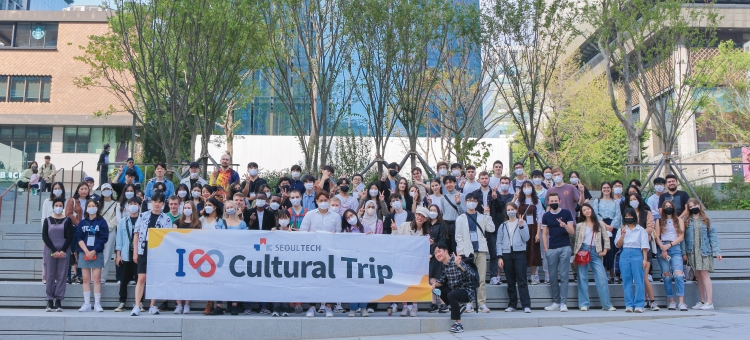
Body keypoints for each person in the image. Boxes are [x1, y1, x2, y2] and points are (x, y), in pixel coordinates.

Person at [299, 191, 341, 318]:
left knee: (329, 280)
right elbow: (302, 232)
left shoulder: (336, 216)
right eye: (320, 200)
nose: (323, 202)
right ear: (316, 201)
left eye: (325, 200)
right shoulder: (310, 215)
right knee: (313, 280)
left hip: (330, 253)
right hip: (314, 253)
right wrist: (312, 235)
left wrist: (334, 236)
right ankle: (312, 307)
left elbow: (338, 235)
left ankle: (329, 307)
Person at [131, 192, 172, 316]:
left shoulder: (167, 219)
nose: (157, 204)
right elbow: (136, 234)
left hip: (158, 251)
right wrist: (135, 251)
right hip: (143, 249)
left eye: (160, 202)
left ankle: (153, 305)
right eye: (155, 201)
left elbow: (168, 237)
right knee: (141, 277)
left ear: (163, 204)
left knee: (155, 279)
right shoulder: (143, 216)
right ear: (151, 202)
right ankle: (137, 305)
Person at [454, 193, 495, 313]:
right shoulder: (461, 218)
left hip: (481, 250)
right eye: (469, 200)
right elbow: (458, 237)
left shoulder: (482, 217)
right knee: (468, 278)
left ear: (477, 203)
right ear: (465, 202)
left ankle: (482, 303)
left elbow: (491, 228)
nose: (471, 202)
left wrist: (487, 214)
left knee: (481, 278)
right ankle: (469, 303)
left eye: (474, 200)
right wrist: (461, 252)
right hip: (467, 252)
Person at [682, 198, 722, 310]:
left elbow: (713, 236)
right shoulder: (687, 221)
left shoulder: (706, 220)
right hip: (692, 252)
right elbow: (683, 238)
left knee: (704, 275)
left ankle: (710, 302)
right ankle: (702, 300)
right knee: (698, 276)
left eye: (695, 205)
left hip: (704, 251)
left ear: (699, 205)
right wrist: (684, 252)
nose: (693, 207)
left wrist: (717, 251)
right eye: (690, 206)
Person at [574, 203, 615, 311]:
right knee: (582, 278)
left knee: (602, 278)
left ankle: (607, 304)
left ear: (591, 210)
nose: (587, 211)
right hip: (582, 250)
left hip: (596, 251)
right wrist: (575, 253)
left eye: (588, 209)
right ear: (582, 213)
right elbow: (575, 240)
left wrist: (605, 250)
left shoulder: (599, 223)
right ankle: (584, 304)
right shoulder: (579, 225)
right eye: (584, 210)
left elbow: (606, 238)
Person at [393, 206, 432, 317]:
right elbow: (395, 240)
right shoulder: (405, 226)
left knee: (415, 283)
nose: (419, 217)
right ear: (415, 215)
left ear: (425, 219)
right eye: (418, 215)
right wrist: (395, 230)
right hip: (403, 259)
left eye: (422, 216)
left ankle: (414, 306)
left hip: (417, 262)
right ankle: (405, 307)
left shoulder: (426, 232)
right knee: (403, 283)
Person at [542, 193, 575, 312]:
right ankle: (555, 302)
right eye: (551, 201)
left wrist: (564, 225)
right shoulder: (546, 216)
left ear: (560, 201)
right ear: (548, 202)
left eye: (556, 200)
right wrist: (546, 248)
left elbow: (572, 232)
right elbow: (544, 233)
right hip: (552, 248)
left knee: (564, 276)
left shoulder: (566, 213)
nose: (554, 202)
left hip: (565, 247)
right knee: (552, 276)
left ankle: (563, 303)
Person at [432, 243, 476, 334]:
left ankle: (459, 324)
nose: (437, 255)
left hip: (467, 291)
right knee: (438, 290)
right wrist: (434, 285)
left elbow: (471, 275)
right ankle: (457, 307)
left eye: (439, 251)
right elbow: (442, 280)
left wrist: (459, 265)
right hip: (455, 291)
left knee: (452, 295)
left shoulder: (456, 260)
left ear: (446, 251)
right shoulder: (444, 265)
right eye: (435, 253)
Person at [496, 202, 531, 313]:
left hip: (519, 253)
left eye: (512, 209)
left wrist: (521, 227)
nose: (510, 211)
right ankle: (512, 304)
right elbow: (499, 242)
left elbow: (526, 238)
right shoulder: (503, 225)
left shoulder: (522, 222)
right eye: (508, 209)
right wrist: (500, 256)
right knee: (510, 281)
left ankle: (526, 305)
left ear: (516, 210)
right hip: (506, 254)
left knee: (522, 280)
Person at [471, 171, 505, 285]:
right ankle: (478, 277)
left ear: (489, 180)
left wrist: (495, 199)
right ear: (479, 179)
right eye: (482, 178)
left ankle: (494, 276)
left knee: (493, 251)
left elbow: (501, 209)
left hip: (492, 226)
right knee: (478, 252)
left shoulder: (495, 193)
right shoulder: (475, 194)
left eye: (486, 178)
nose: (484, 180)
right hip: (479, 227)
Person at [75, 199, 109, 312]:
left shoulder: (102, 222)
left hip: (97, 252)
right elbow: (79, 237)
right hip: (84, 252)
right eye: (89, 205)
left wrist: (94, 251)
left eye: (93, 205)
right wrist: (86, 251)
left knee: (97, 278)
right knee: (85, 279)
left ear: (97, 207)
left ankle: (97, 303)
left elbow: (104, 238)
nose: (91, 207)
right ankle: (87, 303)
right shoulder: (82, 222)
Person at [615, 207, 650, 313]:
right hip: (625, 253)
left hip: (637, 253)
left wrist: (645, 259)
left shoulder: (641, 230)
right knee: (626, 280)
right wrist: (623, 234)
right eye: (626, 216)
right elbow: (618, 245)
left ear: (634, 216)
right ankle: (629, 304)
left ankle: (639, 304)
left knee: (639, 280)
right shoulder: (621, 229)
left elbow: (644, 246)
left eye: (630, 215)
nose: (628, 218)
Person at [627, 192, 658, 311]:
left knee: (644, 276)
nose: (633, 201)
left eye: (635, 199)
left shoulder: (647, 213)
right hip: (633, 248)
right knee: (637, 277)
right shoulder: (628, 214)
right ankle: (643, 300)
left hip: (645, 246)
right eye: (631, 199)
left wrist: (640, 234)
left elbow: (650, 227)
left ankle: (653, 301)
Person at [42, 197, 74, 312]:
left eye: (60, 206)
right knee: (50, 274)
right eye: (56, 206)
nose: (58, 207)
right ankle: (49, 300)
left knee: (62, 275)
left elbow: (70, 236)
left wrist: (63, 250)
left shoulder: (67, 220)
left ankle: (59, 300)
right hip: (51, 250)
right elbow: (45, 236)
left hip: (64, 250)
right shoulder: (47, 220)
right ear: (53, 207)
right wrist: (54, 250)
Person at [655, 200, 687, 311]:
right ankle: (671, 301)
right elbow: (657, 236)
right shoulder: (659, 221)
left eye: (670, 206)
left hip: (675, 247)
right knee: (667, 276)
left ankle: (681, 302)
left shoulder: (679, 220)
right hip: (663, 247)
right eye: (666, 206)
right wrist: (663, 248)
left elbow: (681, 237)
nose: (668, 208)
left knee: (678, 274)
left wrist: (669, 245)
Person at [114, 197, 142, 313]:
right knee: (124, 279)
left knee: (139, 278)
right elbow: (119, 239)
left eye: (135, 203)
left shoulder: (142, 220)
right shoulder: (123, 221)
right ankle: (122, 301)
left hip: (139, 253)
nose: (133, 206)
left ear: (140, 206)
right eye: (131, 204)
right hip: (126, 253)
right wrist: (118, 254)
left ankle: (139, 302)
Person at [591, 182, 622, 283]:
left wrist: (612, 226)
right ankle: (604, 273)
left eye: (608, 187)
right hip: (601, 226)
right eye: (604, 187)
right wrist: (605, 225)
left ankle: (614, 273)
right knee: (604, 249)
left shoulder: (615, 202)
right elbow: (595, 214)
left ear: (611, 189)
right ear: (601, 189)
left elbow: (618, 215)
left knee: (612, 250)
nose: (606, 189)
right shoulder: (597, 201)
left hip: (613, 227)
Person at [515, 181, 545, 285]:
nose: (527, 188)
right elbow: (512, 210)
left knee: (534, 251)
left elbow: (539, 217)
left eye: (529, 186)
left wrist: (538, 233)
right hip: (522, 227)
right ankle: (523, 276)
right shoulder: (519, 201)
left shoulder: (537, 201)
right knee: (523, 251)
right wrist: (515, 198)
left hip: (533, 228)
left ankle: (534, 275)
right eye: (525, 186)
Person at [41, 182, 66, 284]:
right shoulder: (47, 201)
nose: (57, 190)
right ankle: (45, 276)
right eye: (55, 188)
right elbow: (43, 217)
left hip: (61, 233)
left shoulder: (66, 201)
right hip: (48, 232)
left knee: (60, 257)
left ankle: (57, 277)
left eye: (59, 188)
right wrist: (44, 232)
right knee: (47, 256)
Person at [65, 182, 89, 284]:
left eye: (86, 189)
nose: (84, 191)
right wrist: (79, 224)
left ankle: (79, 275)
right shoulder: (73, 200)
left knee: (81, 252)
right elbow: (68, 214)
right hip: (74, 228)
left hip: (86, 230)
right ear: (78, 190)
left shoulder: (90, 201)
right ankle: (67, 276)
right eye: (82, 189)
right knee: (70, 251)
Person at [427, 204, 448, 313]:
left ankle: (443, 303)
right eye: (430, 210)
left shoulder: (441, 225)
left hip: (437, 256)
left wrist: (433, 252)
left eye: (434, 210)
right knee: (430, 280)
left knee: (436, 280)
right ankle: (433, 303)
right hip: (427, 256)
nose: (432, 212)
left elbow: (441, 241)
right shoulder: (427, 225)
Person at [98, 183, 119, 285]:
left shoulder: (116, 204)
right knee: (98, 254)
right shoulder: (97, 203)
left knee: (107, 255)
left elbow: (116, 218)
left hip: (111, 231)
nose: (106, 191)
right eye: (104, 189)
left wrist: (107, 227)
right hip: (98, 232)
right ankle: (95, 275)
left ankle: (102, 277)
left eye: (108, 189)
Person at [440, 176, 464, 254]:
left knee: (456, 249)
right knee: (446, 249)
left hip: (457, 224)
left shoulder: (461, 196)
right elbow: (443, 212)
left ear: (455, 183)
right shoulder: (443, 198)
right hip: (446, 225)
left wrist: (458, 203)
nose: (448, 184)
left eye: (450, 182)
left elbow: (463, 213)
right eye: (446, 183)